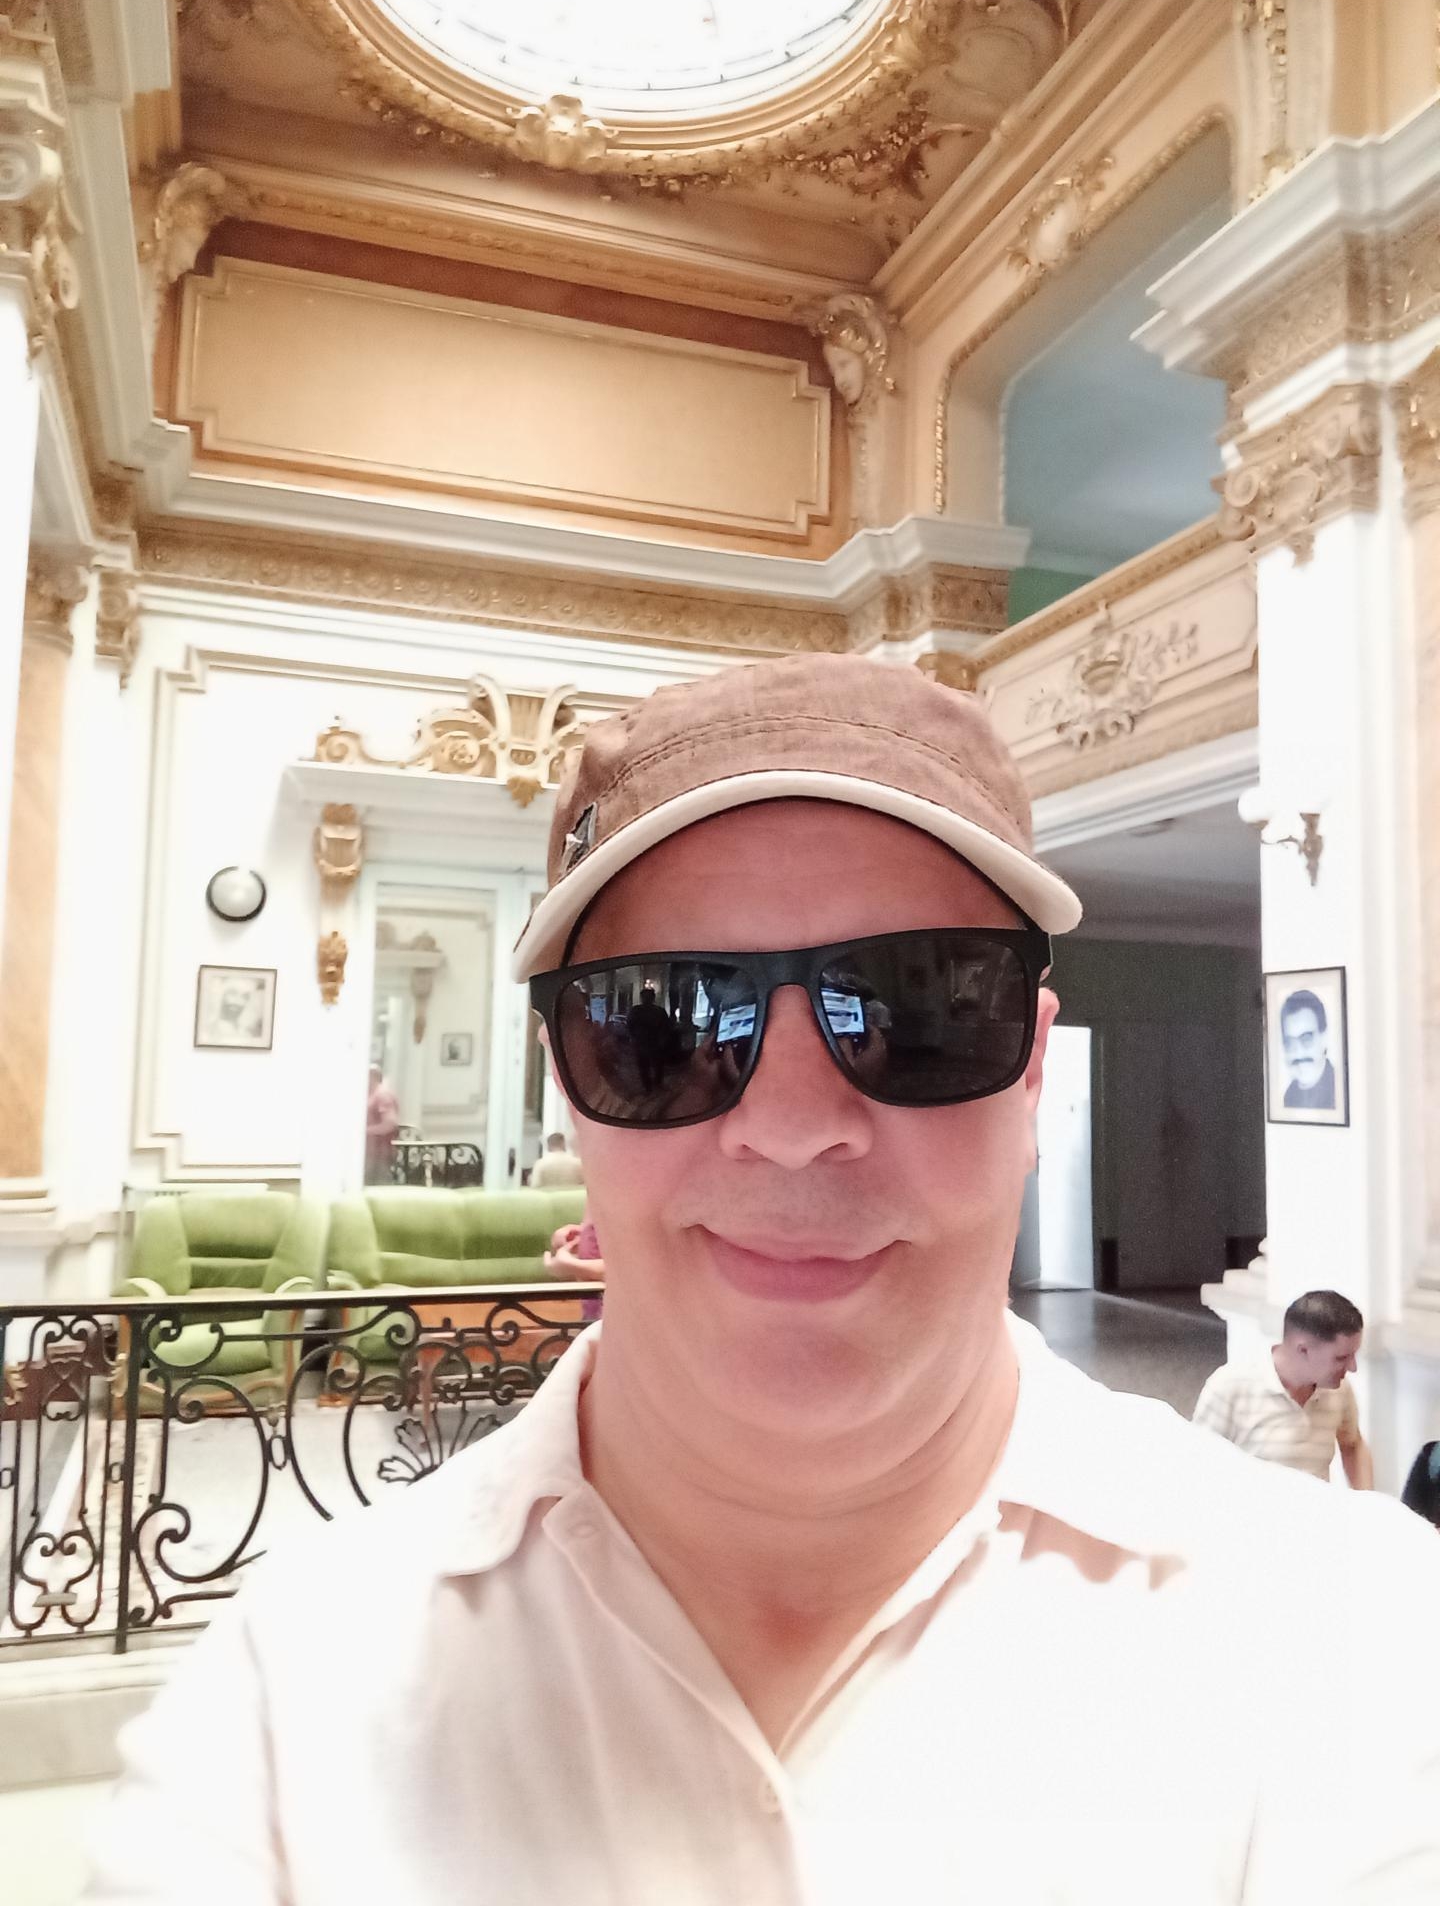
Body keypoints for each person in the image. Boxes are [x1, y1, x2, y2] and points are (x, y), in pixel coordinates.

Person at [86, 655, 1440, 1903]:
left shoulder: (1351, 1640)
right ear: (568, 1087)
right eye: (663, 1025)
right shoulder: (289, 1705)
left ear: (1030, 1073)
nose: (792, 1127)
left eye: (917, 1009)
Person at [1192, 1289, 1372, 1486]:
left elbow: (1352, 1445)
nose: (1353, 1367)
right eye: (1341, 1358)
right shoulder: (1229, 1386)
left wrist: (1365, 1499)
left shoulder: (1339, 1389)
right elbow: (1198, 1467)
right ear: (1303, 1350)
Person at [1280, 987, 1337, 1110]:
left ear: (1324, 1038)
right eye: (1290, 1042)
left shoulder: (1341, 1090)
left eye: (1306, 1038)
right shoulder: (1289, 1097)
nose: (1298, 1051)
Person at [363, 1062, 400, 1184]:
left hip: (379, 1152)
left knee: (378, 1185)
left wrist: (364, 1131)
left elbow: (389, 1124)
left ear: (372, 1076)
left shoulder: (382, 1095)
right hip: (370, 1151)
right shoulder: (371, 1094)